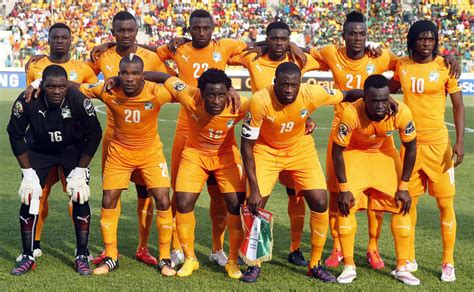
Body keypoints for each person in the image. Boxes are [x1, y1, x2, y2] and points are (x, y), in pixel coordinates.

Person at [240, 62, 359, 283]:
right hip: (266, 151)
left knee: (320, 200)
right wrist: (254, 188)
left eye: (293, 85)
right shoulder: (260, 101)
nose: (288, 90)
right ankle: (253, 263)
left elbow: (347, 94)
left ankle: (315, 264)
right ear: (275, 83)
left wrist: (382, 96)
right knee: (256, 205)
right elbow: (246, 145)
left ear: (300, 85)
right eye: (284, 85)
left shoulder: (311, 93)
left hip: (300, 149)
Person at [228, 20, 323, 267]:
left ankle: (295, 249)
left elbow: (325, 61)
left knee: (297, 195)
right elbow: (221, 58)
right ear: (267, 39)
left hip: (294, 140)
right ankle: (250, 255)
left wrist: (304, 115)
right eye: (274, 39)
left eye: (284, 39)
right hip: (264, 142)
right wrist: (258, 47)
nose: (279, 43)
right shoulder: (253, 58)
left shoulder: (298, 59)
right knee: (256, 201)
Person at [87, 11, 176, 266]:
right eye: (120, 31)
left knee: (145, 192)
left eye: (130, 30)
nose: (125, 35)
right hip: (113, 139)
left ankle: (143, 247)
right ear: (113, 32)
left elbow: (169, 79)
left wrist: (141, 75)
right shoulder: (102, 54)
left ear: (136, 31)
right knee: (110, 194)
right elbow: (84, 76)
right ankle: (109, 250)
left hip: (144, 139)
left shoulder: (151, 57)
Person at [143, 68, 248, 278]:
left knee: (235, 205)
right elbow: (164, 78)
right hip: (194, 155)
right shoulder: (188, 94)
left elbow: (268, 108)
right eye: (211, 95)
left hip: (225, 156)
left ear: (228, 92)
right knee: (182, 202)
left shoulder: (240, 104)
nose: (216, 100)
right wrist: (124, 78)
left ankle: (233, 261)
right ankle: (190, 258)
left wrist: (306, 121)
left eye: (221, 94)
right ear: (200, 92)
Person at [7, 65, 102, 276]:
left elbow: (94, 134)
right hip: (39, 150)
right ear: (43, 85)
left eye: (61, 86)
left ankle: (82, 254)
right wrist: (28, 173)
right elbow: (14, 134)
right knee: (29, 194)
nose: (57, 91)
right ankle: (28, 255)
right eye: (51, 87)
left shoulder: (78, 100)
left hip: (71, 149)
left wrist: (80, 170)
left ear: (67, 85)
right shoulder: (28, 99)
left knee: (79, 195)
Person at [389, 20, 465, 282]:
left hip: (439, 147)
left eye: (431, 39)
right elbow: (386, 89)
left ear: (436, 41)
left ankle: (448, 262)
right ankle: (408, 258)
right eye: (421, 39)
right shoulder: (402, 65)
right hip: (410, 146)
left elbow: (458, 106)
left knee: (445, 204)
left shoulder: (445, 66)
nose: (426, 43)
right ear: (412, 41)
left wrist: (460, 142)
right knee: (407, 203)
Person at [332, 74, 419, 285]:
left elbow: (411, 147)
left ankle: (402, 266)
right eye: (374, 101)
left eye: (384, 99)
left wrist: (404, 186)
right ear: (365, 99)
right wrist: (343, 188)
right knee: (346, 205)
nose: (380, 105)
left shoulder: (401, 111)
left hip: (384, 152)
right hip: (355, 152)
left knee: (402, 204)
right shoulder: (351, 112)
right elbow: (337, 151)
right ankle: (349, 266)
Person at [22, 23, 99, 260]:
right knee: (38, 193)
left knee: (76, 194)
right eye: (54, 37)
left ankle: (80, 246)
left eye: (64, 37)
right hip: (41, 142)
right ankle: (34, 243)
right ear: (48, 40)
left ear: (71, 40)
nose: (59, 41)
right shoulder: (35, 66)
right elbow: (29, 100)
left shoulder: (83, 68)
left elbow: (95, 91)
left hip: (72, 144)